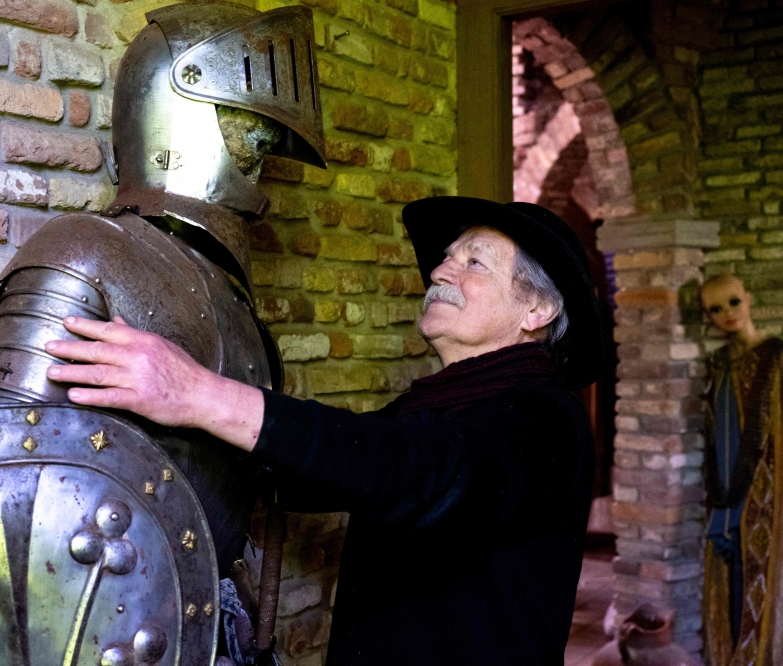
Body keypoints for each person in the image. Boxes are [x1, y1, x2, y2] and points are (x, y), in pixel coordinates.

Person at [44, 196, 605, 665]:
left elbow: (408, 469)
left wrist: (197, 393)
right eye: (447, 258)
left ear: (537, 310)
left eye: (475, 263)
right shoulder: (437, 405)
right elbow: (324, 473)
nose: (439, 271)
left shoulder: (545, 417)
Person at [699, 274, 783, 666]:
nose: (727, 314)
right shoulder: (717, 364)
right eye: (715, 309)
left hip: (769, 491)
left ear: (748, 298)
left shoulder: (777, 356)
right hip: (725, 493)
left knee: (764, 577)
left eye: (732, 302)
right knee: (730, 581)